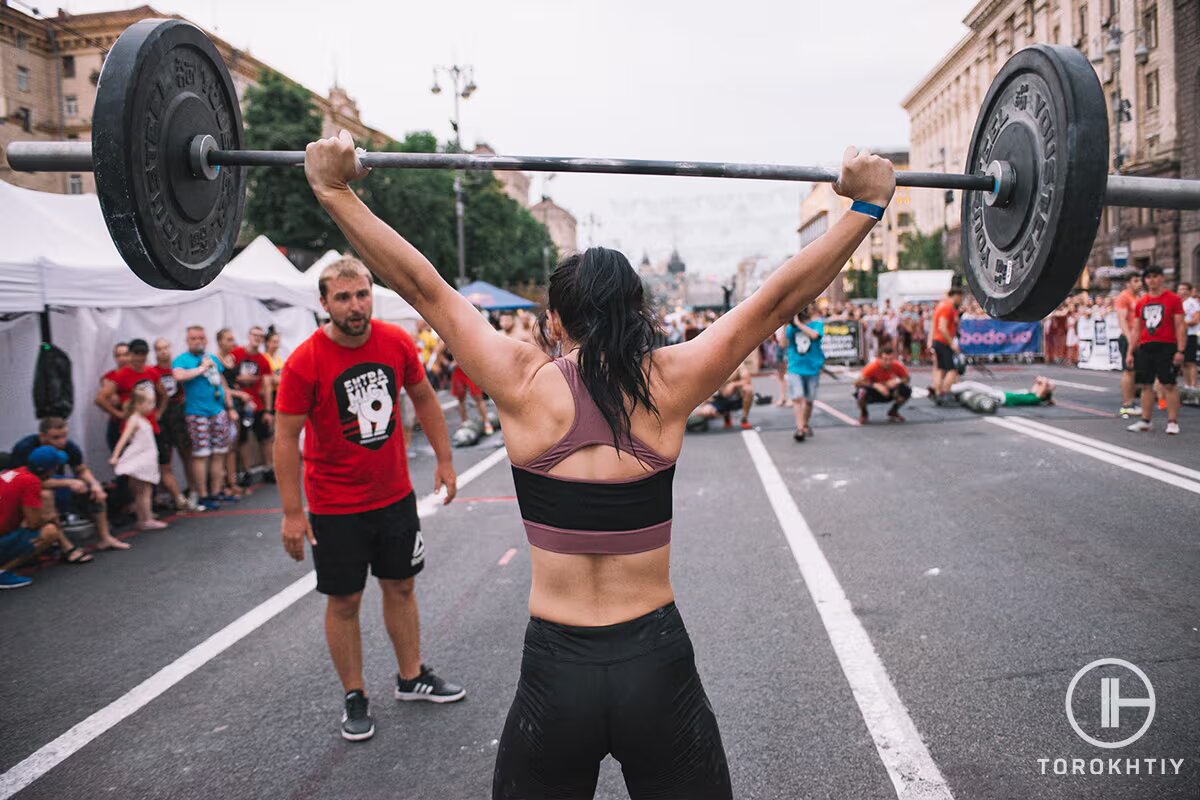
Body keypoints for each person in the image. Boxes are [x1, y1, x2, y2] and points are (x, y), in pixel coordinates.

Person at [304, 131, 894, 798]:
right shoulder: (671, 381)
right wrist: (866, 207)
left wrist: (334, 189)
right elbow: (778, 302)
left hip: (558, 670)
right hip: (656, 663)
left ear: (555, 320)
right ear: (635, 312)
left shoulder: (522, 383)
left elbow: (423, 286)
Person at [275, 256, 465, 743]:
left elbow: (424, 399)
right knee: (345, 599)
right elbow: (284, 439)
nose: (355, 306)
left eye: (361, 294)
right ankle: (355, 694)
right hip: (335, 505)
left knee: (401, 586)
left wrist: (444, 460)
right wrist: (293, 513)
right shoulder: (304, 361)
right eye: (342, 297)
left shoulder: (396, 341)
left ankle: (411, 675)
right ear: (324, 304)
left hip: (393, 496)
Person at [9, 417, 127, 551]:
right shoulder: (25, 448)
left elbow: (81, 469)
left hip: (55, 482)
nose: (61, 441)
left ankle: (106, 538)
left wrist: (95, 484)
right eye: (55, 437)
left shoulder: (68, 446)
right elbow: (24, 483)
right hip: (30, 489)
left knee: (95, 492)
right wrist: (68, 482)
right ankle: (65, 547)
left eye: (64, 436)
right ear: (42, 436)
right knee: (46, 495)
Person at [103, 338, 187, 509]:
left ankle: (159, 503)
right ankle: (137, 508)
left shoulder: (150, 372)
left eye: (143, 354)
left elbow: (163, 394)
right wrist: (119, 414)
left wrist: (159, 413)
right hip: (133, 428)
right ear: (131, 355)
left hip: (151, 427)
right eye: (136, 354)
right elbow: (101, 398)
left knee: (158, 465)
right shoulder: (121, 375)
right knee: (135, 471)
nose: (140, 358)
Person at [1, 447, 97, 588]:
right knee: (50, 531)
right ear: (50, 469)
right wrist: (51, 517)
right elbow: (34, 523)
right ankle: (2, 572)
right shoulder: (31, 482)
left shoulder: (16, 472)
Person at [173, 325, 239, 511]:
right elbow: (178, 375)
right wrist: (201, 369)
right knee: (202, 454)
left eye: (201, 338)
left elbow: (223, 383)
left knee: (220, 452)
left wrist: (230, 406)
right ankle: (202, 494)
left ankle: (216, 492)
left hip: (217, 411)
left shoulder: (211, 359)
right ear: (188, 341)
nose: (198, 341)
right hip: (197, 413)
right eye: (194, 338)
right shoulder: (183, 360)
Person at [1126, 266, 1186, 435]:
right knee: (1146, 384)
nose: (1152, 280)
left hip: (1166, 345)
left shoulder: (1173, 299)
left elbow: (1180, 325)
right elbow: (1136, 329)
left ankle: (1173, 421)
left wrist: (1180, 350)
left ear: (1161, 278)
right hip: (1146, 346)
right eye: (1148, 277)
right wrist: (1131, 351)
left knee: (1169, 384)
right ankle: (1146, 420)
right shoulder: (1142, 302)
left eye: (1155, 276)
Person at [110, 388, 166, 531]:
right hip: (141, 459)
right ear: (139, 404)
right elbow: (124, 438)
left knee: (141, 491)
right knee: (144, 491)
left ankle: (143, 519)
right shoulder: (134, 419)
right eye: (149, 403)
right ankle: (147, 519)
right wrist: (116, 455)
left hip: (145, 457)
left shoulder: (140, 419)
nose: (152, 406)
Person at [231, 326, 276, 483]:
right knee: (242, 439)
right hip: (240, 404)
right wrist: (239, 380)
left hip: (258, 404)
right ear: (249, 336)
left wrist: (269, 411)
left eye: (260, 336)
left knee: (264, 438)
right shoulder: (236, 354)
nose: (257, 338)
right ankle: (246, 470)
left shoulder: (263, 360)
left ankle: (268, 468)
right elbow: (228, 377)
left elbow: (268, 386)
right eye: (254, 335)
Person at [153, 337, 193, 510]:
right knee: (165, 458)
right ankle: (172, 495)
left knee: (187, 454)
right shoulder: (153, 372)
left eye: (165, 347)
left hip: (179, 414)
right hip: (163, 418)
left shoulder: (178, 368)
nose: (163, 351)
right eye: (159, 349)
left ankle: (194, 490)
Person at [785, 304, 824, 441]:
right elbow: (783, 343)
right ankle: (800, 428)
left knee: (809, 400)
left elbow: (814, 336)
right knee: (797, 397)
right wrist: (787, 323)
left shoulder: (817, 324)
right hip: (796, 367)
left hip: (813, 367)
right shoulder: (792, 328)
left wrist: (798, 324)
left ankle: (805, 423)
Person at [855, 346, 912, 423]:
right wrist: (875, 385)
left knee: (906, 390)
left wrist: (897, 381)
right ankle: (864, 413)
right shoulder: (872, 367)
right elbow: (857, 382)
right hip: (874, 392)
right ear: (879, 358)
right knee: (861, 392)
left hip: (890, 392)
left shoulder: (897, 365)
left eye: (890, 359)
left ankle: (893, 411)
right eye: (885, 359)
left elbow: (907, 378)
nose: (888, 362)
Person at [1114, 273, 1144, 417]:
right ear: (1128, 283)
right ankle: (1127, 403)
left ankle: (1132, 401)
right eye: (1136, 280)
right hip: (1128, 338)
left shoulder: (1139, 297)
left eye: (1140, 280)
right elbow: (1122, 320)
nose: (1139, 283)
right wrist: (1130, 338)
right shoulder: (1123, 297)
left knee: (1135, 372)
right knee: (1129, 370)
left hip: (1139, 338)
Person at [930, 287, 964, 404]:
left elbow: (935, 326)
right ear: (956, 296)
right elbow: (942, 327)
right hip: (943, 341)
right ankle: (945, 392)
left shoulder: (940, 306)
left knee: (940, 369)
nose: (961, 300)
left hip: (937, 340)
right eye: (961, 298)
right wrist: (952, 343)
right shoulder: (947, 307)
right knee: (952, 370)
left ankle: (938, 392)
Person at [95, 341, 131, 450]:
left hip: (139, 423)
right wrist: (118, 414)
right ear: (115, 357)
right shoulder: (110, 377)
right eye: (118, 355)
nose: (122, 358)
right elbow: (101, 400)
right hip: (118, 425)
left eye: (125, 354)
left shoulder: (141, 372)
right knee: (120, 462)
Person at [450, 353, 494, 435]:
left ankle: (487, 422)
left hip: (469, 368)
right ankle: (464, 422)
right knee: (461, 400)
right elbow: (438, 353)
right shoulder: (444, 343)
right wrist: (448, 363)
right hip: (458, 371)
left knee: (478, 398)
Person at [951, 376, 1056, 408]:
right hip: (1000, 395)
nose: (1038, 387)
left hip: (1000, 397)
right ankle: (951, 390)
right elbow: (1038, 381)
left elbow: (1043, 382)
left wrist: (1049, 385)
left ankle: (949, 390)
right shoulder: (1033, 395)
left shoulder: (1036, 398)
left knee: (970, 385)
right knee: (971, 388)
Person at [1180, 281, 1199, 391]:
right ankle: (1187, 385)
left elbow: (1196, 319)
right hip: (1181, 335)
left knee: (1190, 361)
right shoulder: (1180, 302)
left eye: (1184, 289)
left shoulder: (1193, 303)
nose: (1182, 291)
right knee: (1183, 361)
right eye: (1180, 289)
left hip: (1190, 334)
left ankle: (1193, 385)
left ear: (1189, 291)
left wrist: (1182, 323)